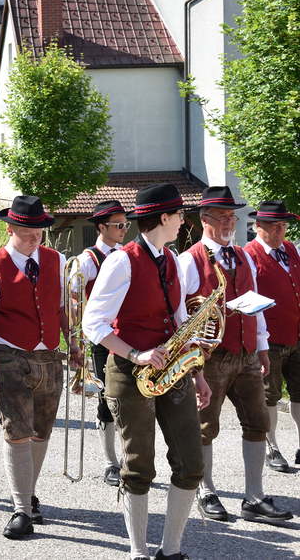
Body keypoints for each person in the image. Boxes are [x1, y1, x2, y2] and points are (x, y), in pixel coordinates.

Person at [82, 183, 209, 560]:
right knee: (138, 466)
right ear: (164, 218)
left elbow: (180, 319)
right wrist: (136, 353)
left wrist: (198, 372)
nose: (184, 220)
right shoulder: (121, 262)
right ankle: (138, 551)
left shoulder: (173, 258)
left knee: (191, 464)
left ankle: (170, 550)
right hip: (129, 369)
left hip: (172, 367)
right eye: (180, 214)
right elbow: (93, 323)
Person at [177, 186, 290, 525]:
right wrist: (192, 363)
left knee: (258, 422)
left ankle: (254, 497)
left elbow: (255, 303)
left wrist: (262, 346)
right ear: (204, 220)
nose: (229, 222)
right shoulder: (189, 259)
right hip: (210, 357)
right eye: (222, 217)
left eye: (232, 217)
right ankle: (206, 491)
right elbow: (180, 315)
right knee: (205, 427)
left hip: (247, 354)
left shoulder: (242, 256)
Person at [0, 195, 66, 539]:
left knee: (41, 432)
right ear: (10, 229)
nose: (34, 239)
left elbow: (60, 308)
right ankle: (21, 510)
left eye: (39, 232)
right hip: (10, 357)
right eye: (27, 233)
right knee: (17, 432)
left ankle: (29, 493)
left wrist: (75, 344)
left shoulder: (56, 260)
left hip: (50, 357)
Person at [72, 200, 129, 487]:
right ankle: (110, 462)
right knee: (108, 399)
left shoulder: (126, 255)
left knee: (132, 398)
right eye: (119, 225)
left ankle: (131, 458)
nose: (124, 229)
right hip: (102, 339)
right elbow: (72, 296)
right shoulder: (87, 260)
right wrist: (77, 338)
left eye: (125, 224)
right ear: (102, 227)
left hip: (128, 335)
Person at [243, 200, 300, 473]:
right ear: (258, 226)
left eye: (283, 225)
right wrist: (258, 341)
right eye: (274, 225)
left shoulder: (290, 249)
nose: (280, 230)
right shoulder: (248, 255)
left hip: (296, 333)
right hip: (269, 338)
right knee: (269, 395)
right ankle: (272, 447)